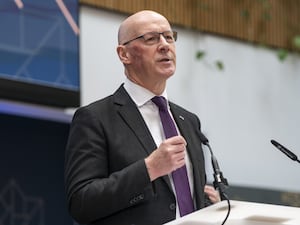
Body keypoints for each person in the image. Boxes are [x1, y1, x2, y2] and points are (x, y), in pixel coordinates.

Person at [64, 10, 220, 225]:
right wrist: (149, 168)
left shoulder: (189, 120)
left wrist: (213, 208)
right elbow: (81, 202)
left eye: (169, 36)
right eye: (151, 38)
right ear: (124, 54)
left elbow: (179, 202)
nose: (165, 45)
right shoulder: (95, 118)